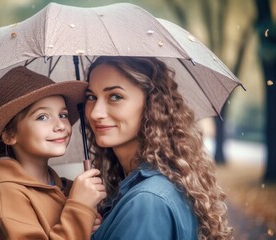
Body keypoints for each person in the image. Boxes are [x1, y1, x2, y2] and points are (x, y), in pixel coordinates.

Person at [84, 56, 233, 239]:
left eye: (115, 96)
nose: (95, 112)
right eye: (91, 97)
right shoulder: (161, 182)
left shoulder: (146, 202)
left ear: (151, 103)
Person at [0, 66, 106, 240]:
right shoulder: (7, 196)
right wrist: (79, 210)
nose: (60, 125)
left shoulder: (68, 189)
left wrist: (86, 221)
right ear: (9, 135)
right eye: (42, 117)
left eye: (63, 115)